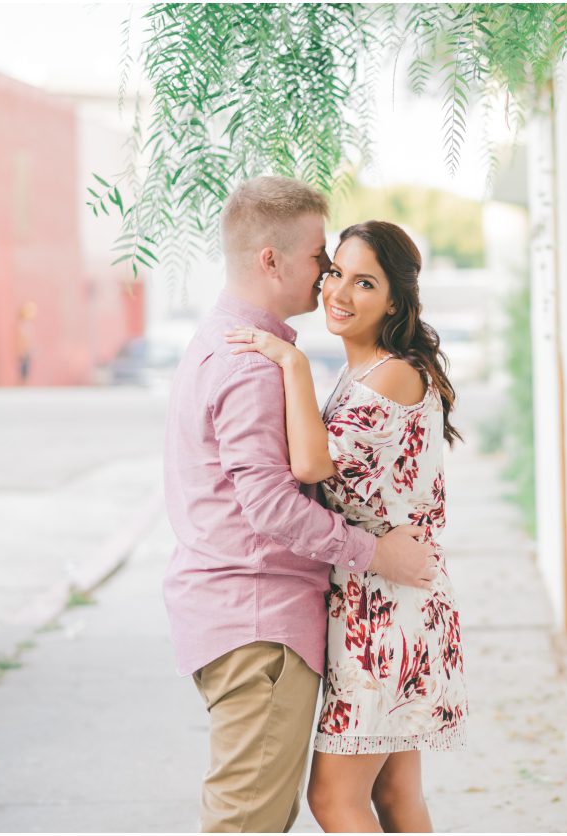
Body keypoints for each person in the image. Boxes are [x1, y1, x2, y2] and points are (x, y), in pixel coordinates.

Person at [162, 177, 438, 833]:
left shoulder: (225, 342)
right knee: (247, 822)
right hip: (258, 625)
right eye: (321, 257)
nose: (326, 277)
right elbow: (272, 508)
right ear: (271, 259)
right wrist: (378, 554)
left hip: (245, 617)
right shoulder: (251, 364)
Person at [225, 219, 468, 833]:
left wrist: (289, 360)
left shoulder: (389, 374)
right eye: (335, 272)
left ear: (395, 300)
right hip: (389, 602)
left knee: (335, 799)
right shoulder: (367, 371)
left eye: (365, 282)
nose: (338, 291)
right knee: (395, 797)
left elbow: (311, 463)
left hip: (385, 614)